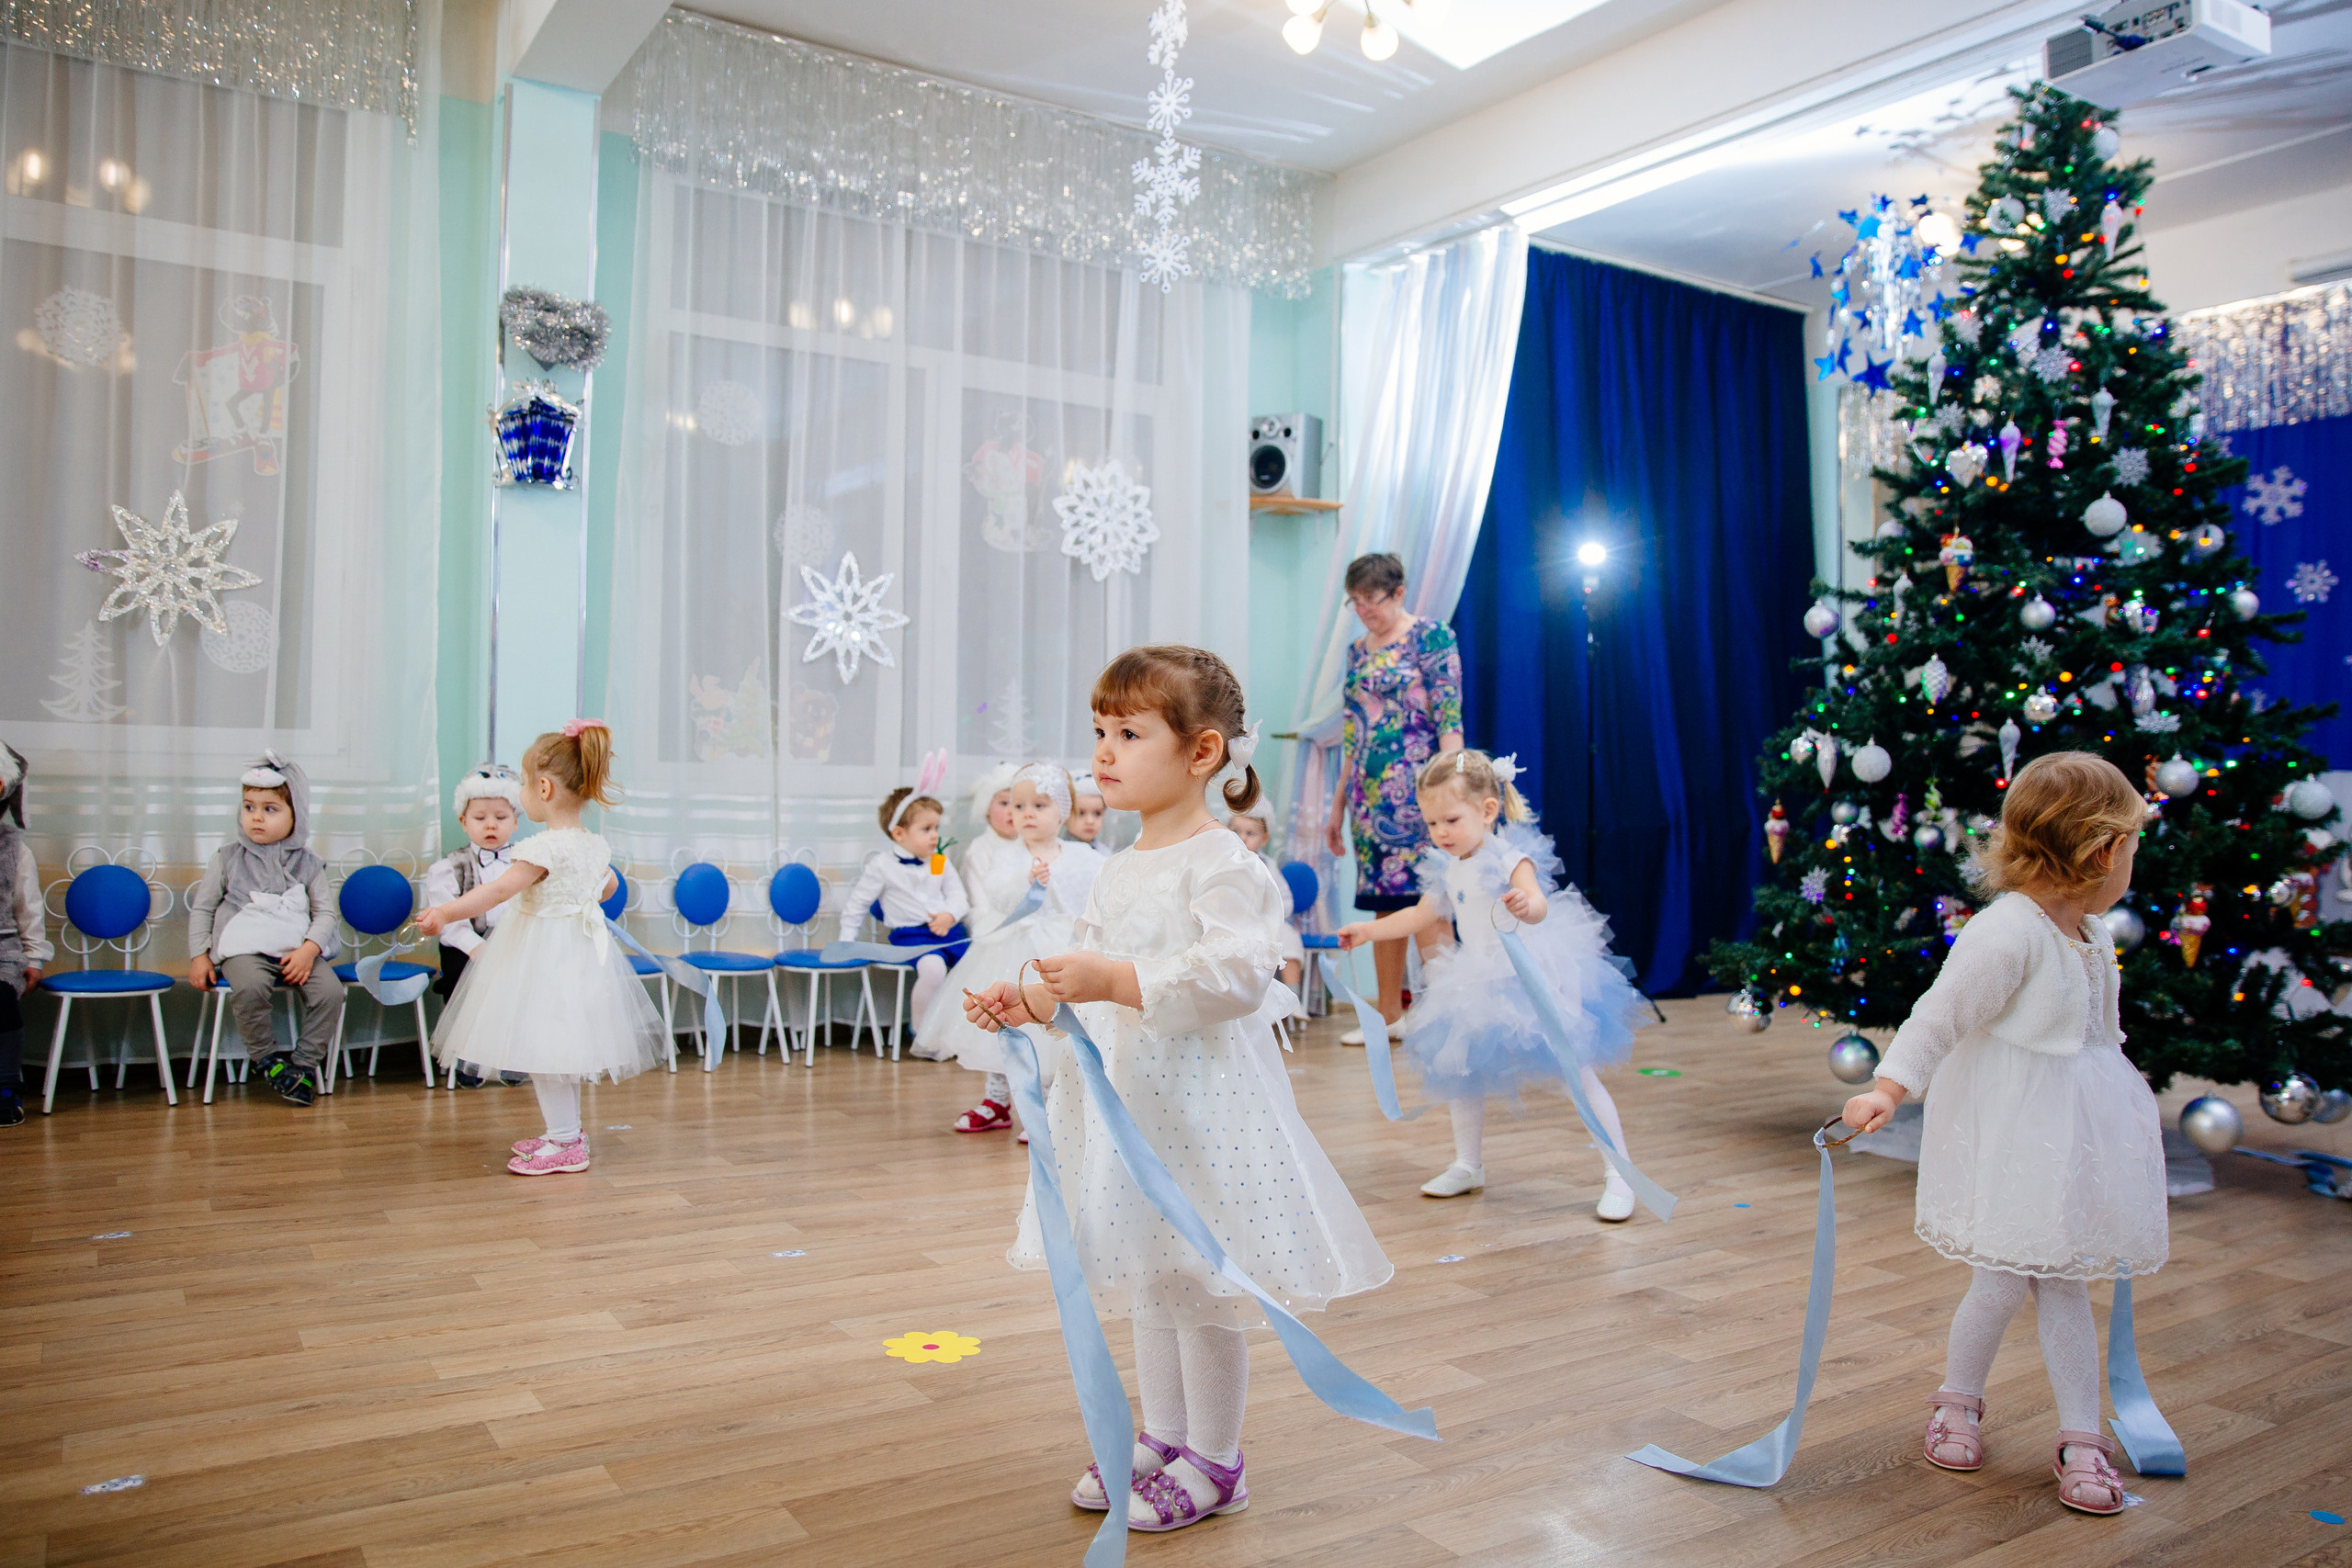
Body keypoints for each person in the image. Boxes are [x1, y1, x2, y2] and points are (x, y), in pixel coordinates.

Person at [965, 645, 1390, 1533]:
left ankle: (1219, 1457)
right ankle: (1161, 1435)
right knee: (1148, 1271)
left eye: (1128, 733)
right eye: (1099, 733)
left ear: (1200, 753)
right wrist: (1028, 998)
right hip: (1127, 1102)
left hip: (1201, 1106)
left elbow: (1238, 972)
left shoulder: (1223, 861)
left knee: (1200, 1279)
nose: (1104, 754)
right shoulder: (1115, 863)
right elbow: (1080, 967)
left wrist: (1113, 976)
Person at [1840, 751, 2165, 1517]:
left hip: (2074, 1135)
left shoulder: (2090, 933)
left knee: (2062, 1280)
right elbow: (1941, 1013)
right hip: (2017, 1134)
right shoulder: (2007, 931)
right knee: (2001, 1277)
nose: (2133, 866)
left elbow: (2096, 1036)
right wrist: (1889, 1086)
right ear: (2099, 852)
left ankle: (2083, 1436)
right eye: (2132, 850)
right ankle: (1959, 1401)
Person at [1338, 750, 1648, 1215]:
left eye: (1450, 820)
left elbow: (1539, 903)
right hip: (1476, 978)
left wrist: (1527, 905)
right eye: (1433, 823)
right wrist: (1368, 930)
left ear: (1486, 811)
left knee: (1576, 1075)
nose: (1441, 833)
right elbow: (1423, 914)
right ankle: (1468, 1164)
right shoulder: (1449, 865)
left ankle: (1620, 1175)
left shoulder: (1510, 858)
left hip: (1529, 977)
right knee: (1462, 1073)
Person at [417, 723, 666, 1176]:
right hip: (579, 954)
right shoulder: (593, 844)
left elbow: (494, 894)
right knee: (562, 1048)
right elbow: (608, 888)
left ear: (544, 788)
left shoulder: (541, 847)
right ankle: (563, 1132)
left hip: (545, 957)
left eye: (525, 788)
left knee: (547, 1050)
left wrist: (445, 914)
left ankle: (567, 1143)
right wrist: (577, 899)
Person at [1325, 551, 1463, 1043]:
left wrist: (1454, 795)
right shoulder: (1358, 652)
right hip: (1368, 802)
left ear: (1399, 593)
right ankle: (1387, 1018)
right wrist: (1338, 804)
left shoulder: (1431, 636)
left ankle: (1450, 1016)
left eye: (1372, 599)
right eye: (1355, 602)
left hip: (1421, 798)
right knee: (1384, 908)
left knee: (1428, 901)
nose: (1363, 610)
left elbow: (1450, 719)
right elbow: (1352, 733)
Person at [926, 763, 1102, 1134]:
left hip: (1054, 952)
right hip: (1009, 950)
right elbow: (998, 896)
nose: (1026, 815)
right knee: (997, 1022)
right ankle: (997, 1101)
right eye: (1018, 806)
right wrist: (1026, 881)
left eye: (1039, 806)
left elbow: (1086, 903)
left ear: (1062, 810)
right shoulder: (1006, 855)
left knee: (1051, 1031)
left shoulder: (1082, 857)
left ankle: (1052, 1105)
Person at [187, 751, 343, 1107]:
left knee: (330, 993)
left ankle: (301, 1066)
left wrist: (308, 951)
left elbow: (325, 915)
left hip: (295, 951)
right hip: (245, 950)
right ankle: (267, 1059)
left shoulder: (308, 863)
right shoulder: (227, 858)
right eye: (249, 807)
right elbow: (204, 908)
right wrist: (199, 955)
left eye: (270, 809)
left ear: (295, 815)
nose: (256, 817)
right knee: (252, 986)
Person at [839, 784, 970, 1055]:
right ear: (899, 834)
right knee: (933, 969)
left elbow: (959, 898)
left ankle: (959, 1033)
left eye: (936, 828)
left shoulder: (937, 861)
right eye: (926, 829)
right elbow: (858, 903)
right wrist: (846, 941)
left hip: (945, 933)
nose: (935, 836)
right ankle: (922, 1033)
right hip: (909, 936)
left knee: (972, 967)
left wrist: (949, 915)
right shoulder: (882, 866)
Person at [424, 764, 523, 1089]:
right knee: (467, 980)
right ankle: (469, 1058)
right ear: (464, 823)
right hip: (468, 944)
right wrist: (480, 949)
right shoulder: (448, 867)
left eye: (500, 817)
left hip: (513, 940)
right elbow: (449, 921)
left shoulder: (526, 864)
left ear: (516, 821)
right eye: (480, 818)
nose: (491, 825)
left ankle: (512, 1056)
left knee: (523, 983)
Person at [0, 743, 45, 1127]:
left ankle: (5, 1088)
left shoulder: (15, 850)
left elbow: (28, 909)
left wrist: (33, 958)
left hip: (3, 952)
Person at [1228, 800, 1304, 992]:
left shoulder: (1267, 866)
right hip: (1234, 924)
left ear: (1264, 839)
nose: (1242, 838)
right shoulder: (1225, 863)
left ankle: (1291, 994)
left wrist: (1270, 914)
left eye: (1250, 833)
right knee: (1245, 948)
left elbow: (1286, 900)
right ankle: (1256, 1003)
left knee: (1290, 939)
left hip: (1265, 923)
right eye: (1236, 831)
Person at [1067, 773, 1110, 856]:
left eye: (1097, 814)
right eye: (1081, 813)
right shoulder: (1059, 851)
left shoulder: (1105, 853)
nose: (1090, 821)